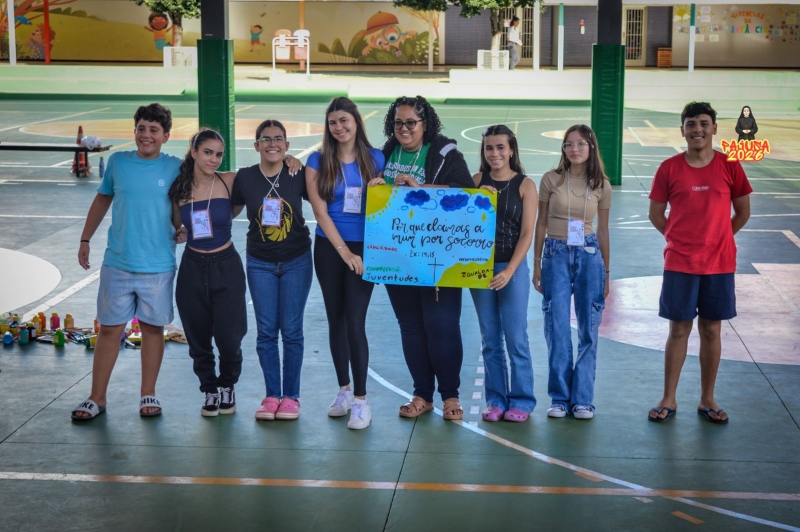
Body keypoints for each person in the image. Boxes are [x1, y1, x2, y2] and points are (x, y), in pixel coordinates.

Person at [72, 103, 182, 420]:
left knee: (152, 330)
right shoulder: (118, 163)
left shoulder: (175, 167)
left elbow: (180, 207)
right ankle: (97, 397)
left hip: (158, 266)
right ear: (135, 131)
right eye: (141, 129)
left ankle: (148, 394)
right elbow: (102, 199)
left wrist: (183, 227)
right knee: (109, 330)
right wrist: (85, 239)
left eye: (154, 130)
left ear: (165, 136)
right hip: (118, 263)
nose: (146, 135)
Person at [370, 95, 474, 421]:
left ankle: (451, 395)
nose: (404, 128)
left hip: (437, 256)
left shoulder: (445, 154)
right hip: (397, 256)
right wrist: (375, 186)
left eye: (411, 122)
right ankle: (422, 394)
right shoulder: (384, 154)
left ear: (425, 124)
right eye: (398, 122)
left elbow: (465, 193)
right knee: (411, 327)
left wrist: (421, 187)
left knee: (442, 324)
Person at [647, 102, 752, 424]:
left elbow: (743, 212)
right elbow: (656, 214)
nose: (698, 130)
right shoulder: (668, 168)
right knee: (678, 329)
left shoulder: (730, 165)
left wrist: (719, 237)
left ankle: (707, 399)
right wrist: (679, 240)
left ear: (714, 128)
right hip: (679, 263)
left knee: (711, 329)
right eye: (691, 124)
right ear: (682, 130)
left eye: (704, 123)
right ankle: (669, 397)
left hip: (720, 263)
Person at [305, 97, 385, 430]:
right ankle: (344, 391)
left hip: (365, 248)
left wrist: (384, 186)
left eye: (344, 121)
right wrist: (344, 252)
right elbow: (320, 212)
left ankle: (362, 402)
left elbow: (390, 202)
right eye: (333, 122)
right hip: (329, 247)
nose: (339, 127)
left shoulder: (376, 158)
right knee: (335, 320)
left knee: (354, 320)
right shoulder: (317, 159)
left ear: (356, 121)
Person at [232, 120, 311, 422]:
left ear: (287, 145)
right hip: (260, 263)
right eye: (265, 139)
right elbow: (227, 211)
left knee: (291, 330)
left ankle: (291, 396)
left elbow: (325, 197)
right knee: (266, 331)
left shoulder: (297, 173)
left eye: (278, 139)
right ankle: (271, 396)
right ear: (256, 145)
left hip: (297, 261)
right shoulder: (245, 177)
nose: (272, 144)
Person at [533, 124, 611, 421]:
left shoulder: (601, 185)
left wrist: (606, 271)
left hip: (589, 254)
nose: (574, 149)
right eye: (568, 144)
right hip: (555, 253)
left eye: (580, 144)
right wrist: (536, 263)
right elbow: (541, 223)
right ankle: (560, 397)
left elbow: (602, 231)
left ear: (591, 147)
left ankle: (583, 400)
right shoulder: (550, 179)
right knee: (557, 326)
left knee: (589, 328)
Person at [170, 129, 246, 417]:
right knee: (198, 337)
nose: (214, 159)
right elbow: (177, 225)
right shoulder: (179, 189)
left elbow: (264, 175)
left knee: (230, 336)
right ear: (194, 151)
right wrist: (180, 233)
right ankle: (210, 389)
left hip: (226, 266)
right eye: (208, 152)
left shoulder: (229, 181)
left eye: (219, 154)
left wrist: (289, 160)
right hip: (192, 268)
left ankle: (227, 385)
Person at [470, 125, 538, 422]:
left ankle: (522, 401)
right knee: (490, 339)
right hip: (479, 269)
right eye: (489, 148)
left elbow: (527, 234)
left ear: (511, 150)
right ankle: (496, 400)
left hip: (511, 269)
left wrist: (510, 270)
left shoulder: (525, 185)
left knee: (516, 337)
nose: (494, 153)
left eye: (500, 147)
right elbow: (452, 209)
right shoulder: (476, 180)